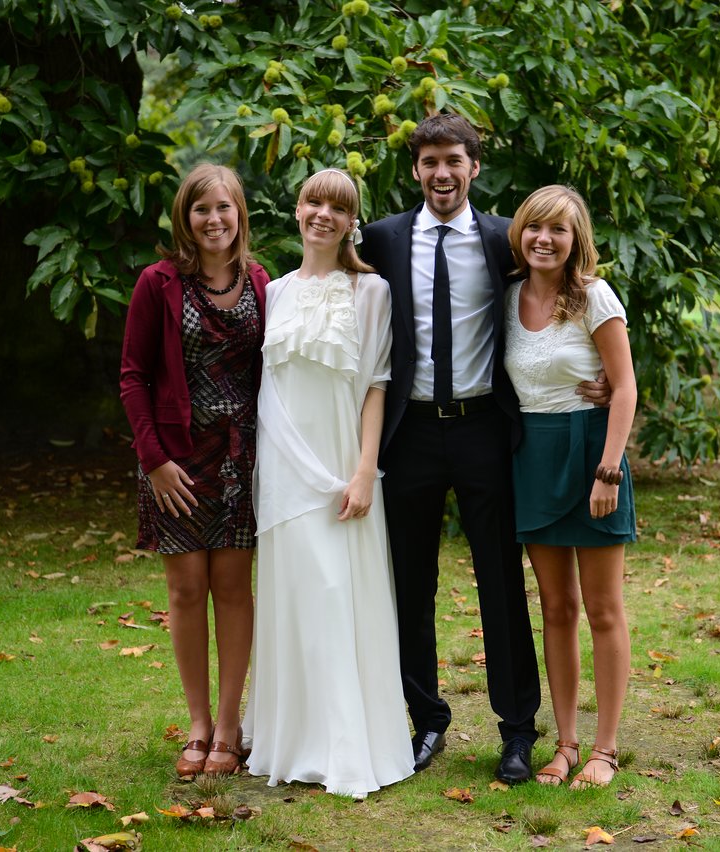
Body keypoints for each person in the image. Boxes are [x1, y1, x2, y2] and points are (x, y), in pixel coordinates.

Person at [357, 113, 546, 784]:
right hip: (409, 432)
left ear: (474, 168)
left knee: (501, 582)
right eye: (430, 161)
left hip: (483, 429)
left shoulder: (507, 239)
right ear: (416, 169)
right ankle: (424, 719)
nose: (442, 173)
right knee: (409, 585)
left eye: (454, 161)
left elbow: (559, 293)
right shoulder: (381, 239)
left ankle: (518, 729)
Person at [244, 168, 414, 799]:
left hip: (342, 461)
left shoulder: (371, 292)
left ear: (351, 222)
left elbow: (375, 384)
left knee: (338, 590)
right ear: (297, 210)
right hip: (282, 462)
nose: (323, 215)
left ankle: (346, 743)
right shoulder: (275, 291)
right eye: (314, 202)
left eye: (337, 208)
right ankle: (290, 738)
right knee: (293, 595)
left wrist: (365, 469)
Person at [118, 163, 269, 779]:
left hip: (242, 458)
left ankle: (230, 727)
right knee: (185, 590)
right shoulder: (157, 283)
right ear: (186, 217)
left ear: (240, 217)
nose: (214, 220)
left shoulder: (260, 281)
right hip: (174, 460)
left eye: (225, 208)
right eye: (202, 209)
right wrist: (154, 460)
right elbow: (133, 376)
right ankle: (198, 724)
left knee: (233, 591)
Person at [504, 185, 636, 789]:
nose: (544, 239)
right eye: (535, 227)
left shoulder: (593, 297)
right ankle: (565, 745)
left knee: (603, 609)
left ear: (575, 239)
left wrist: (608, 469)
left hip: (591, 456)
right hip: (533, 458)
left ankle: (606, 750)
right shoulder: (506, 299)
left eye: (558, 229)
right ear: (521, 232)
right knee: (556, 609)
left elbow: (625, 386)